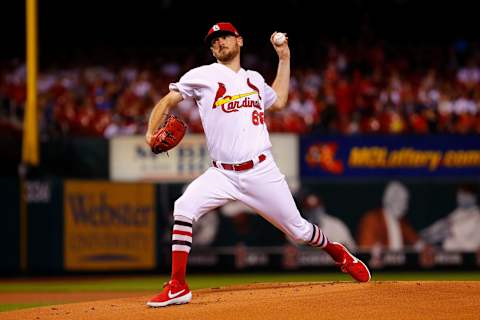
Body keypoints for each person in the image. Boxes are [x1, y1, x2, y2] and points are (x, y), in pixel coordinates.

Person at [145, 22, 371, 308]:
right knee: (183, 208)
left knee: (299, 232)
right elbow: (167, 101)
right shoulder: (201, 76)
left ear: (239, 41)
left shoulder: (253, 79)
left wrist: (284, 57)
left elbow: (279, 101)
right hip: (222, 173)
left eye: (224, 37)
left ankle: (338, 253)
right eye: (214, 40)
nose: (219, 43)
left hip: (261, 171)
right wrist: (149, 134)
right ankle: (178, 285)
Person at [357, 181, 422, 250]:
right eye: (400, 201)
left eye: (406, 201)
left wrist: (423, 247)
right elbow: (365, 249)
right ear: (389, 199)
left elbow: (416, 241)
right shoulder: (371, 219)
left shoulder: (402, 222)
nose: (405, 206)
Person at [421, 184, 480, 251]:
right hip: (449, 254)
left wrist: (444, 230)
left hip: (469, 254)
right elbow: (439, 226)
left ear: (474, 196)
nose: (462, 197)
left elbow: (452, 230)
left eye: (465, 194)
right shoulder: (457, 212)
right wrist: (423, 236)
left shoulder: (477, 216)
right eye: (460, 193)